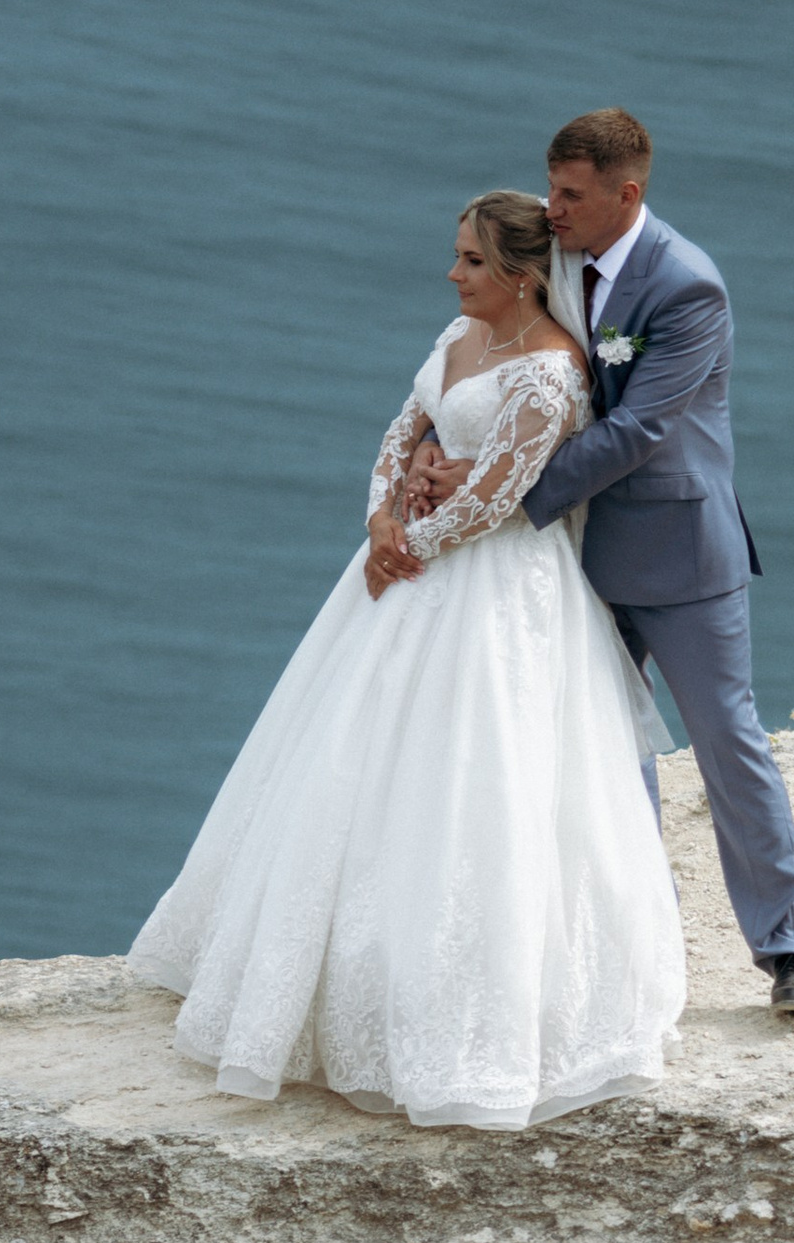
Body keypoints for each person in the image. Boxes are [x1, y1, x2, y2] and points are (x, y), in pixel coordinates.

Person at [127, 191, 685, 1129]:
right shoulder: (460, 336)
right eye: (457, 255)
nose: (452, 273)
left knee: (475, 774)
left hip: (494, 588)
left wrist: (412, 546)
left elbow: (501, 495)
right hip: (407, 563)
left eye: (471, 261)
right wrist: (382, 519)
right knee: (346, 760)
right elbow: (404, 432)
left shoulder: (552, 372)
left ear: (521, 278)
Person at [406, 108, 794, 1015]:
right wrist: (442, 440)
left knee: (726, 742)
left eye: (570, 194)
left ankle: (787, 949)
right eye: (551, 188)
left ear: (625, 194)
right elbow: (500, 351)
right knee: (598, 751)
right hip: (571, 556)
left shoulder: (687, 286)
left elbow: (639, 429)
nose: (551, 208)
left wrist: (500, 484)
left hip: (677, 552)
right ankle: (637, 950)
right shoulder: (554, 257)